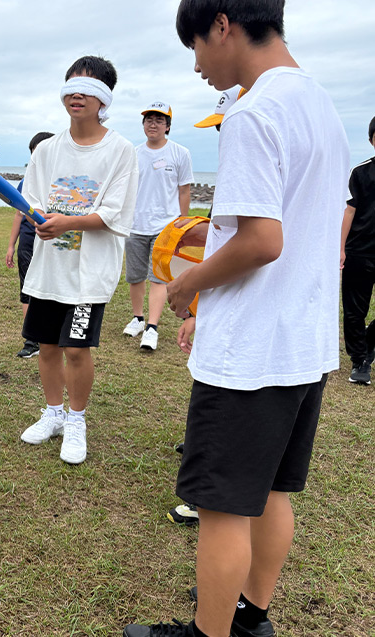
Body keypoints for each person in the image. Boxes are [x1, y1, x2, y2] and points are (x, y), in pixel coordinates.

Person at [123, 2, 350, 636]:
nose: (196, 65)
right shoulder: (323, 107)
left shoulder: (253, 110)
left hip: (251, 349)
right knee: (274, 493)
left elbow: (260, 240)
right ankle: (252, 618)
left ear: (223, 24)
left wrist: (188, 285)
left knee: (222, 507)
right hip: (304, 342)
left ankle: (209, 633)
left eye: (194, 44)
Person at [17, 55, 138, 465]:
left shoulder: (121, 151)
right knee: (47, 347)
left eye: (89, 89)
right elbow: (31, 197)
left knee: (75, 350)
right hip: (49, 268)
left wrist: (67, 221)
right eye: (71, 87)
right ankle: (52, 414)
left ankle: (76, 420)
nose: (77, 96)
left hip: (89, 274)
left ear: (105, 99)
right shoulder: (48, 149)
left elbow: (115, 212)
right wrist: (40, 218)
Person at [166, 86, 247, 529]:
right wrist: (199, 310)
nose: (222, 136)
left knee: (221, 404)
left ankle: (204, 496)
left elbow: (248, 247)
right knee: (208, 392)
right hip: (221, 308)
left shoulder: (249, 170)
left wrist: (188, 291)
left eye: (223, 126)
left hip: (241, 317)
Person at [123, 102, 193, 352]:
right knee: (134, 275)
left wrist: (182, 222)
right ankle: (137, 318)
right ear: (143, 125)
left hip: (165, 226)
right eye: (148, 119)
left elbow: (184, 190)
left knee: (158, 278)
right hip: (135, 224)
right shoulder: (133, 153)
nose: (153, 124)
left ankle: (152, 327)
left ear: (168, 126)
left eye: (159, 120)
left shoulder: (180, 153)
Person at [6, 131, 54, 358]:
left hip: (53, 240)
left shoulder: (59, 182)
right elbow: (18, 215)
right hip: (28, 238)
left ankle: (51, 335)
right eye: (34, 153)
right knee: (27, 287)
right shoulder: (26, 181)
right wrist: (10, 245)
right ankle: (31, 339)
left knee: (50, 287)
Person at [340, 115, 375, 386]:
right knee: (354, 311)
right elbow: (348, 211)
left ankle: (367, 342)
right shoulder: (360, 173)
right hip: (359, 252)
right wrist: (340, 248)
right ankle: (359, 360)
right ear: (372, 140)